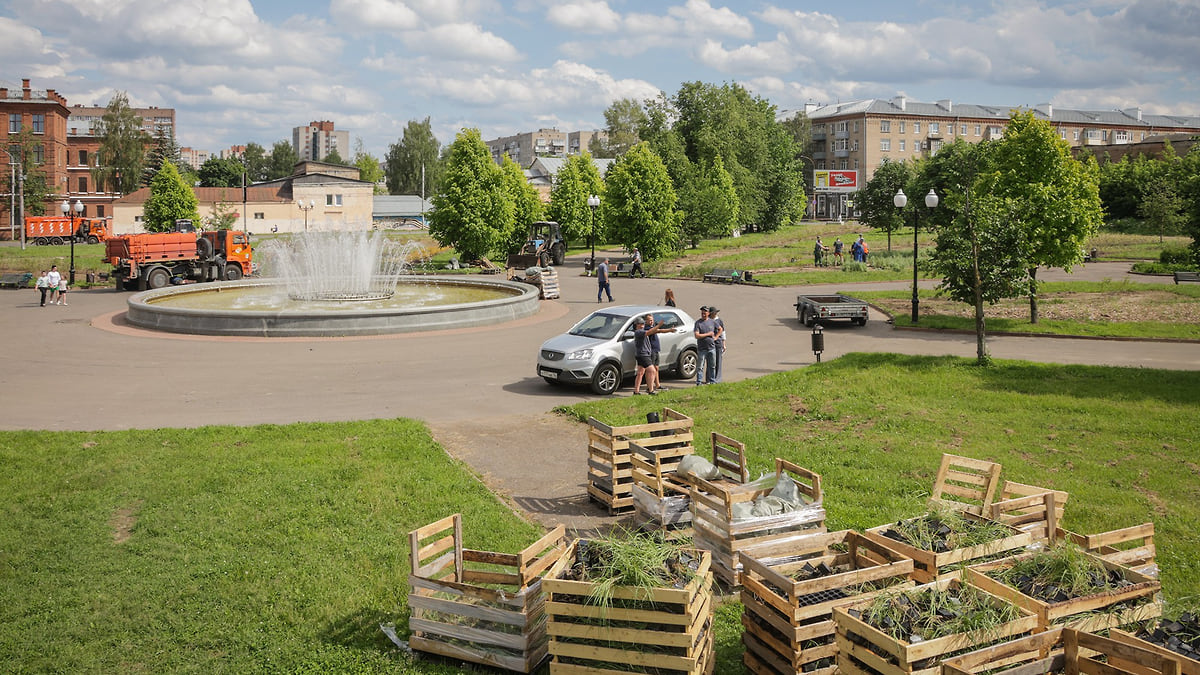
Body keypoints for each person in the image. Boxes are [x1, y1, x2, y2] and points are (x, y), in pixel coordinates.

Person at [631, 316, 665, 395]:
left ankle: (636, 391)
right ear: (636, 325)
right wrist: (659, 325)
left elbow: (655, 331)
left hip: (643, 354)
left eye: (643, 323)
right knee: (652, 370)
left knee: (640, 373)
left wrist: (669, 330)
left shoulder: (641, 331)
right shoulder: (638, 332)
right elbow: (649, 332)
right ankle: (650, 390)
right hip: (643, 355)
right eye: (640, 324)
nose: (642, 325)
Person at [693, 306, 717, 385]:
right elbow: (697, 335)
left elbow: (720, 329)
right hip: (702, 349)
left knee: (712, 366)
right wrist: (708, 334)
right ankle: (699, 382)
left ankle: (712, 381)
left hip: (711, 348)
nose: (703, 314)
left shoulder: (712, 322)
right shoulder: (698, 323)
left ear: (708, 313)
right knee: (700, 367)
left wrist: (716, 337)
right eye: (702, 313)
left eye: (705, 313)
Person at [710, 307, 726, 383]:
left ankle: (718, 379)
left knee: (718, 361)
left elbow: (723, 333)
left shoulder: (719, 321)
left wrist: (724, 344)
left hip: (718, 343)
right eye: (714, 312)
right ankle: (709, 378)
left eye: (715, 312)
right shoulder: (708, 320)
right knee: (711, 362)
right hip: (709, 344)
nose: (715, 314)